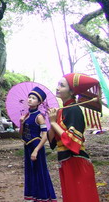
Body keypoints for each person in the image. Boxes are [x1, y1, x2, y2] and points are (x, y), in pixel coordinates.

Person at [48, 73, 100, 202]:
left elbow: (71, 140)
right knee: (71, 195)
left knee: (80, 196)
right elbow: (53, 142)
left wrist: (54, 123)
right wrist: (50, 121)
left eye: (62, 85)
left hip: (76, 161)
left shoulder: (74, 110)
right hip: (65, 160)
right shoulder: (61, 111)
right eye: (58, 84)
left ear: (71, 91)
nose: (57, 87)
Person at [19, 86, 57, 202]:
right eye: (29, 97)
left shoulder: (39, 117)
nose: (30, 99)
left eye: (33, 98)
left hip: (36, 146)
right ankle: (33, 196)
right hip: (27, 146)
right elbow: (21, 134)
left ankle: (43, 197)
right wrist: (21, 123)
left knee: (39, 171)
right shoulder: (26, 116)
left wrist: (36, 150)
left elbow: (45, 136)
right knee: (30, 172)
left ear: (39, 102)